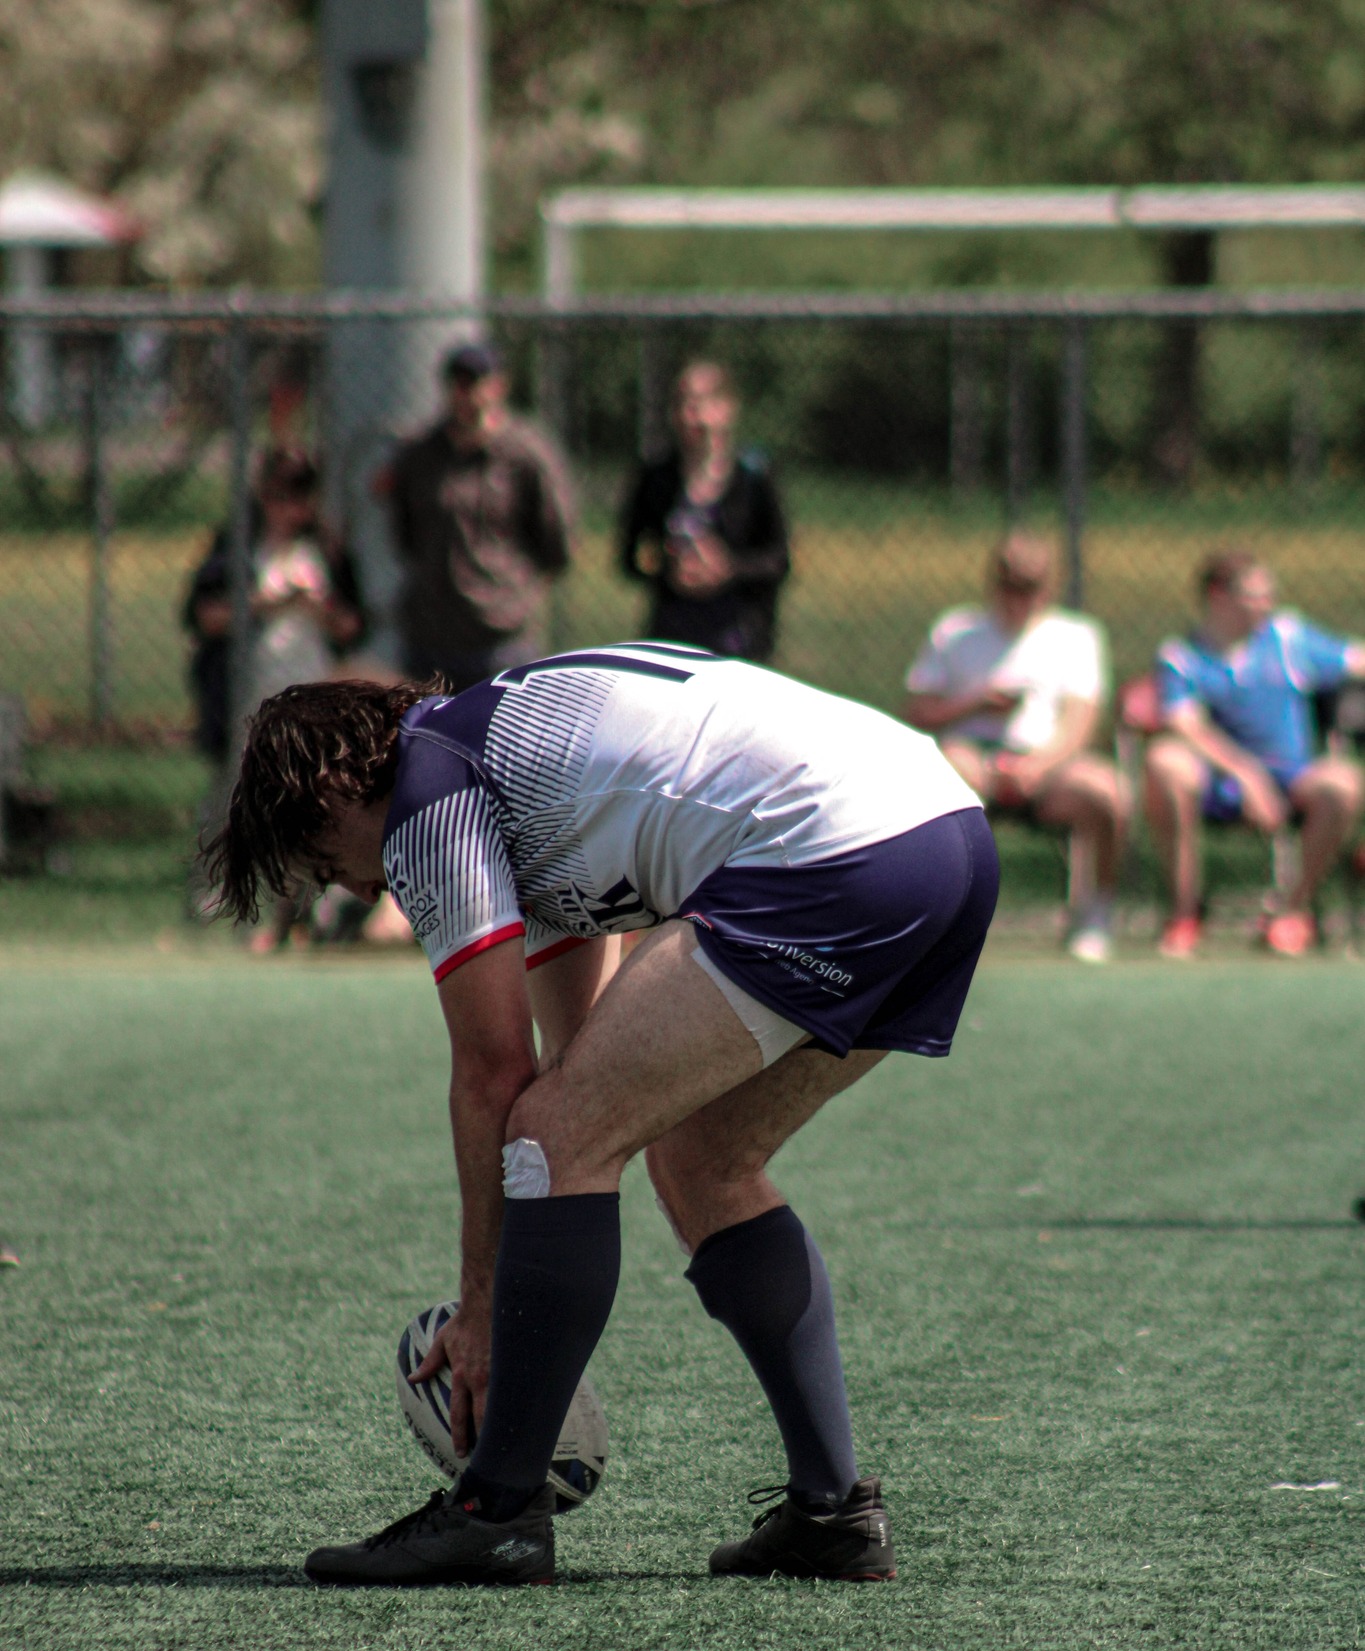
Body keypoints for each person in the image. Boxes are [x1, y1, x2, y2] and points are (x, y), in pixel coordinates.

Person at [208, 644, 999, 1588]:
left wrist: (486, 1309)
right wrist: (539, 1245)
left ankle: (495, 1511)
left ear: (333, 790)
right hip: (942, 832)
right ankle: (830, 1513)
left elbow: (498, 1079)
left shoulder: (430, 795)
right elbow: (578, 1060)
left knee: (556, 1134)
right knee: (702, 1159)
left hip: (838, 851)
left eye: (323, 859)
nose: (350, 889)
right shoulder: (513, 772)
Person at [903, 533, 1124, 963]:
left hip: (1049, 764)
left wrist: (1038, 767)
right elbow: (918, 713)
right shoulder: (955, 632)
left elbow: (1080, 723)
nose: (1019, 598)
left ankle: (1095, 913)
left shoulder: (1077, 636)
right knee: (952, 770)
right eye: (1009, 586)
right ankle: (944, 918)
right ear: (992, 583)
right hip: (974, 755)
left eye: (1030, 588)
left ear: (1049, 587)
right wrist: (976, 703)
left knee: (1107, 792)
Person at [185, 448, 367, 943]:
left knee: (315, 802)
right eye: (280, 494)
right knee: (235, 797)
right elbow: (206, 614)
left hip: (311, 697)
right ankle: (213, 900)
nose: (290, 506)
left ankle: (309, 911)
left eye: (300, 494)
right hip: (249, 693)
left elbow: (353, 625)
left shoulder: (325, 551)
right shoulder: (237, 546)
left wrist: (318, 610)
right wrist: (270, 603)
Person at [1145, 551, 1365, 958]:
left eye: (1269, 594)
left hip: (1290, 779)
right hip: (1219, 782)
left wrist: (1265, 783)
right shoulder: (1182, 655)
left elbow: (1355, 659)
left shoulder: (1288, 638)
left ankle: (1290, 913)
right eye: (1254, 595)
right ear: (1217, 596)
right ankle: (1185, 913)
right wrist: (1246, 776)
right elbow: (1184, 725)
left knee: (1343, 783)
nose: (1266, 603)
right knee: (1165, 762)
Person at [387, 342, 574, 689]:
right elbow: (405, 534)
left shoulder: (525, 453)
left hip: (501, 635)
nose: (469, 394)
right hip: (432, 635)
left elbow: (555, 540)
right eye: (460, 383)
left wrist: (518, 597)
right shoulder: (422, 454)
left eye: (478, 381)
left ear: (499, 385)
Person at [618, 361, 790, 661]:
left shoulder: (753, 477)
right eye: (681, 404)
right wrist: (668, 567)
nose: (689, 417)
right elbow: (631, 558)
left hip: (739, 641)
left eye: (699, 405)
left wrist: (728, 569)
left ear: (727, 408)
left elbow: (778, 560)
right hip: (673, 640)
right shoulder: (657, 478)